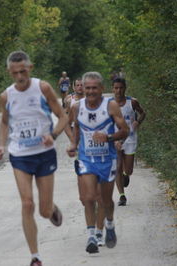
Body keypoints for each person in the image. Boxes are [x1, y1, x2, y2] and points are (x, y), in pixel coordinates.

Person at [0, 51, 68, 266]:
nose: (20, 77)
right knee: (27, 204)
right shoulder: (6, 96)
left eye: (23, 71)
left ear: (30, 68)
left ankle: (52, 208)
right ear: (9, 72)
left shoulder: (42, 88)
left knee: (44, 211)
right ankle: (35, 256)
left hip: (44, 154)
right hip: (20, 154)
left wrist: (52, 135)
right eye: (15, 73)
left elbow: (63, 116)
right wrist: (1, 145)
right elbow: (5, 123)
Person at [66, 72, 129, 253]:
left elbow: (124, 130)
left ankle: (108, 224)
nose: (91, 91)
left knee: (106, 200)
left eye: (94, 88)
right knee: (89, 197)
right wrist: (73, 144)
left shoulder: (111, 106)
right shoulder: (77, 107)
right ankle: (92, 236)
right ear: (83, 89)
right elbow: (74, 127)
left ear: (101, 89)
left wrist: (108, 137)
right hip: (87, 159)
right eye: (88, 88)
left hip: (107, 160)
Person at [64, 78, 106, 249]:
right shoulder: (73, 104)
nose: (86, 90)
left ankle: (98, 232)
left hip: (103, 156)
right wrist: (73, 141)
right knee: (85, 198)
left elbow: (120, 128)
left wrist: (113, 139)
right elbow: (66, 123)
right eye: (82, 86)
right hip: (83, 154)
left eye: (91, 88)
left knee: (100, 197)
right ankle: (94, 225)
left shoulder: (107, 107)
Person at [112, 77, 146, 206]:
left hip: (130, 138)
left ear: (125, 88)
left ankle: (127, 174)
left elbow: (143, 113)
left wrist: (137, 121)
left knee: (129, 169)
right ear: (112, 89)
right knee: (117, 167)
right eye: (116, 88)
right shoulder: (108, 104)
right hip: (115, 139)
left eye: (121, 88)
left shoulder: (132, 102)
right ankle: (122, 196)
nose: (118, 90)